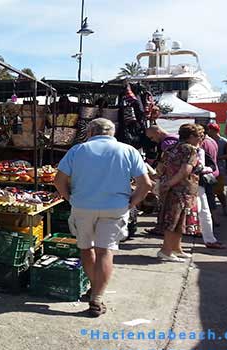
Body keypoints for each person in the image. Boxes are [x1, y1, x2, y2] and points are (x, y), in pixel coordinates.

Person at [54, 118, 152, 318]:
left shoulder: (77, 150)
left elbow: (58, 181)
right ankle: (97, 298)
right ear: (112, 133)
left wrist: (70, 198)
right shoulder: (128, 150)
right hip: (114, 207)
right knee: (105, 251)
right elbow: (146, 184)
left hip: (82, 206)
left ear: (90, 132)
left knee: (86, 248)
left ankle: (94, 287)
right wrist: (131, 203)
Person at [156, 124, 203, 263]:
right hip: (181, 190)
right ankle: (166, 251)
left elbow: (160, 167)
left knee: (177, 220)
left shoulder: (172, 147)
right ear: (191, 137)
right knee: (175, 220)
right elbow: (185, 170)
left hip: (171, 189)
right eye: (199, 136)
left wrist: (164, 184)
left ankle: (176, 248)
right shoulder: (190, 150)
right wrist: (170, 183)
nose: (201, 138)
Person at [196, 127, 225, 249]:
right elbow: (213, 163)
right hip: (208, 178)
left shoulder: (200, 148)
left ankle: (207, 236)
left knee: (204, 208)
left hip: (200, 181)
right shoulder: (213, 142)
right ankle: (208, 236)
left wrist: (203, 169)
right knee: (206, 207)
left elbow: (208, 164)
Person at [205, 123, 227, 216]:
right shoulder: (208, 140)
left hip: (219, 169)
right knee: (210, 191)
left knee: (219, 191)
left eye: (209, 130)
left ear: (213, 130)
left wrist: (217, 158)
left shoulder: (224, 141)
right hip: (210, 169)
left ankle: (225, 209)